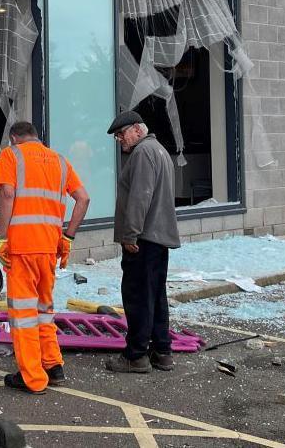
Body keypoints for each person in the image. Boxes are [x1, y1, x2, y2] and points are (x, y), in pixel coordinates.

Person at [0, 121, 90, 394]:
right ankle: (53, 365)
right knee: (44, 310)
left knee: (23, 314)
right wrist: (67, 237)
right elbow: (83, 198)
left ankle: (33, 378)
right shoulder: (59, 161)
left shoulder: (12, 155)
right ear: (36, 137)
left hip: (21, 248)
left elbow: (7, 193)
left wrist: (2, 237)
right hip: (49, 248)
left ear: (14, 138)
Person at [105, 111, 181, 374]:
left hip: (143, 239)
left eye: (121, 133)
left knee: (138, 297)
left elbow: (140, 197)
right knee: (156, 295)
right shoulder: (158, 150)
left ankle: (135, 355)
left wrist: (130, 235)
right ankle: (162, 351)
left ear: (137, 130)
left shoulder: (142, 153)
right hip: (158, 238)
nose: (119, 139)